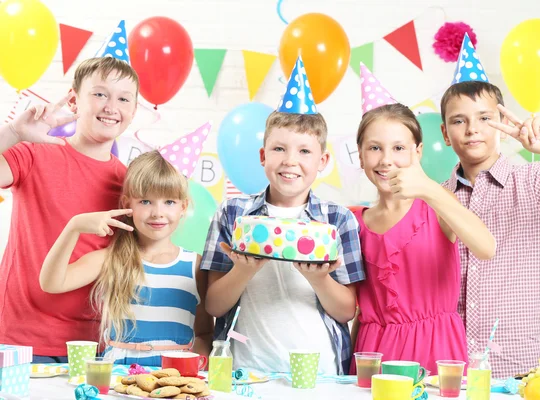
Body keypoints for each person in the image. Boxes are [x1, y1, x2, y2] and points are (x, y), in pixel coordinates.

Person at [439, 34, 540, 378]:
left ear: (503, 126)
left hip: (519, 365)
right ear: (444, 132)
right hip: (448, 364)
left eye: (484, 118)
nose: (472, 130)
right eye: (459, 120)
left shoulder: (533, 182)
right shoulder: (436, 198)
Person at [201, 57, 364, 375]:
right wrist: (243, 271)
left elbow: (346, 311)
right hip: (246, 369)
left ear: (323, 160)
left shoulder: (338, 221)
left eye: (304, 151)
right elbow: (213, 306)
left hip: (318, 371)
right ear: (263, 156)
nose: (291, 161)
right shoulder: (232, 214)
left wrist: (318, 278)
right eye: (279, 149)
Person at [350, 64, 495, 375]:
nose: (386, 159)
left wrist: (430, 189)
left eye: (399, 148)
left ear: (417, 152)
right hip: (372, 353)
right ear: (360, 155)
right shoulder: (354, 222)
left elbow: (486, 247)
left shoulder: (438, 206)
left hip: (436, 350)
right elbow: (357, 311)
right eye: (374, 148)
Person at [0, 57, 139, 362]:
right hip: (19, 339)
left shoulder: (131, 185)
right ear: (74, 101)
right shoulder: (35, 154)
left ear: (134, 110)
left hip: (89, 347)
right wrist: (13, 132)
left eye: (123, 98)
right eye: (100, 94)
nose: (111, 106)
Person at [39, 150, 214, 365]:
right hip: (117, 377)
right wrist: (73, 228)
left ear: (183, 207)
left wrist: (198, 365)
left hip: (174, 379)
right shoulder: (111, 259)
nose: (158, 212)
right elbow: (52, 283)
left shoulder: (194, 264)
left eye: (169, 202)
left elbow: (204, 333)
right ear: (126, 204)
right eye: (145, 202)